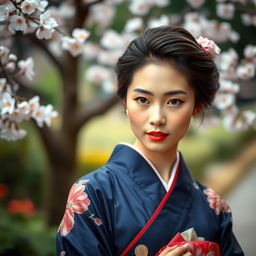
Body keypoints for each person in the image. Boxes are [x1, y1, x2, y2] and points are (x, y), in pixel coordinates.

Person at [56, 26, 244, 256]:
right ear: (125, 101)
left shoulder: (214, 207)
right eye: (142, 99)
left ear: (197, 106)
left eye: (174, 101)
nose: (157, 118)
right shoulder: (91, 194)